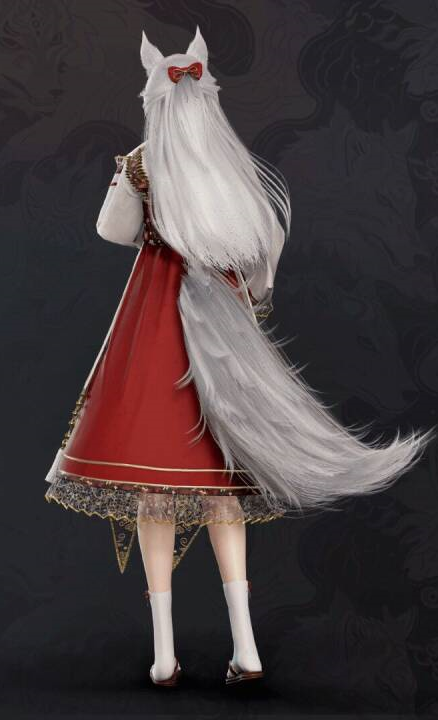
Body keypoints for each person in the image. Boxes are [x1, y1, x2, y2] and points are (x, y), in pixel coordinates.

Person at [44, 26, 434, 687]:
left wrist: (141, 210)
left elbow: (112, 229)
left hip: (153, 327)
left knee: (156, 495)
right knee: (222, 491)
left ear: (156, 100)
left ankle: (164, 654)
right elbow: (262, 251)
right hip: (222, 332)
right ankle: (246, 647)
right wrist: (251, 296)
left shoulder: (144, 161)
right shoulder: (227, 165)